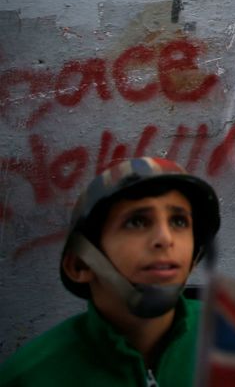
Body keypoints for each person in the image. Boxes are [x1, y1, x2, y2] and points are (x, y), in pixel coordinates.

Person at [0, 157, 221, 386]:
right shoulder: (31, 377)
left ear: (196, 255)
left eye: (179, 221)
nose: (165, 239)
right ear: (80, 265)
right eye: (136, 222)